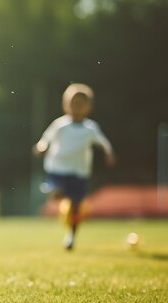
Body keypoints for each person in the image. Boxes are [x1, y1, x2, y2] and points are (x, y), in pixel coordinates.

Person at [33, 83, 115, 250]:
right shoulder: (60, 125)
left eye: (80, 104)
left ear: (88, 107)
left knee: (76, 207)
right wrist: (41, 147)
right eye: (73, 103)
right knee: (56, 194)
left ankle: (71, 236)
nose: (76, 107)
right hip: (57, 168)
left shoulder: (90, 128)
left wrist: (109, 153)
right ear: (65, 105)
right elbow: (45, 139)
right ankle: (54, 192)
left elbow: (103, 142)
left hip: (79, 172)